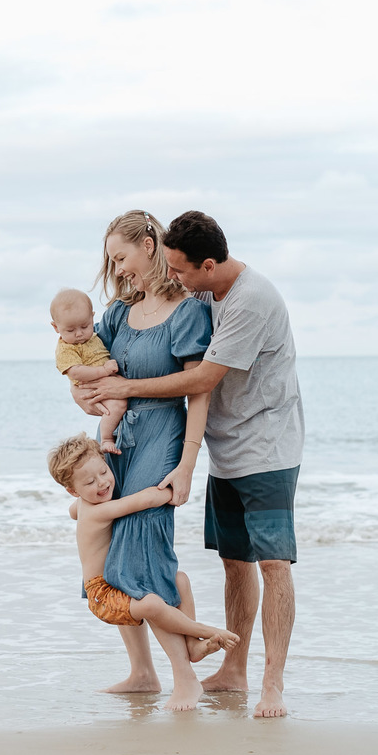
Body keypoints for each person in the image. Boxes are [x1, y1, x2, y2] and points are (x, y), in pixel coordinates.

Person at [82, 210, 305, 719]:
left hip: (268, 448)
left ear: (206, 265)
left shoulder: (251, 299)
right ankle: (234, 669)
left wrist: (125, 391)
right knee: (233, 562)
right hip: (226, 449)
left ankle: (272, 685)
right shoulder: (201, 290)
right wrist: (87, 387)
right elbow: (107, 347)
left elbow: (201, 380)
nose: (173, 275)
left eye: (180, 269)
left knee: (273, 564)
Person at [75, 209, 215, 702]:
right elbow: (93, 372)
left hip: (162, 437)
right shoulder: (116, 314)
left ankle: (185, 677)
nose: (116, 270)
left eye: (121, 257)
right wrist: (81, 394)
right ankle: (142, 674)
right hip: (115, 441)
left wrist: (187, 464)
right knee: (114, 553)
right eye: (111, 262)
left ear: (149, 246)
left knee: (144, 546)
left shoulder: (188, 312)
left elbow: (199, 391)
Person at [47, 434, 239, 710]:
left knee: (179, 580)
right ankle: (205, 630)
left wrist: (81, 502)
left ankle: (191, 647)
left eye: (103, 471)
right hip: (102, 594)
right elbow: (146, 499)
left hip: (118, 577)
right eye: (89, 483)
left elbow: (72, 512)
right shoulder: (99, 512)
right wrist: (173, 492)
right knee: (151, 602)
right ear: (73, 490)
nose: (102, 483)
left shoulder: (84, 505)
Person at [50, 289, 129, 454]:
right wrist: (104, 370)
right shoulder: (66, 348)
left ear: (93, 317)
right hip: (91, 387)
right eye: (70, 331)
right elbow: (76, 373)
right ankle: (106, 438)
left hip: (105, 382)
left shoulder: (93, 336)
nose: (79, 334)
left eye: (85, 326)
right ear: (56, 327)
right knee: (117, 405)